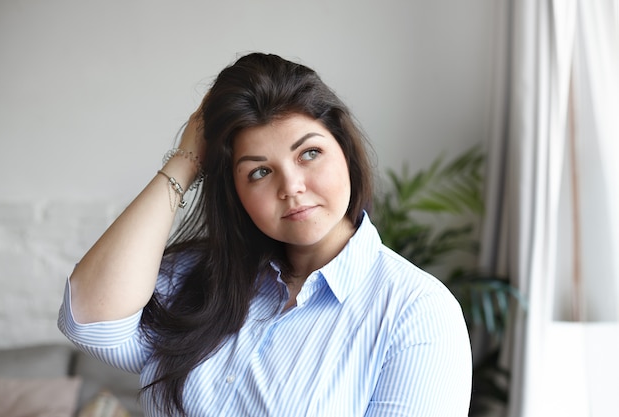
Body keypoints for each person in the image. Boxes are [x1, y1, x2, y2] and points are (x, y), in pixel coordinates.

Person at [58, 52, 472, 416]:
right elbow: (91, 322)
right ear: (236, 192)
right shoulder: (202, 277)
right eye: (259, 171)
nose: (290, 186)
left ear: (344, 150)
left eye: (309, 153)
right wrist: (186, 160)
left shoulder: (417, 313)